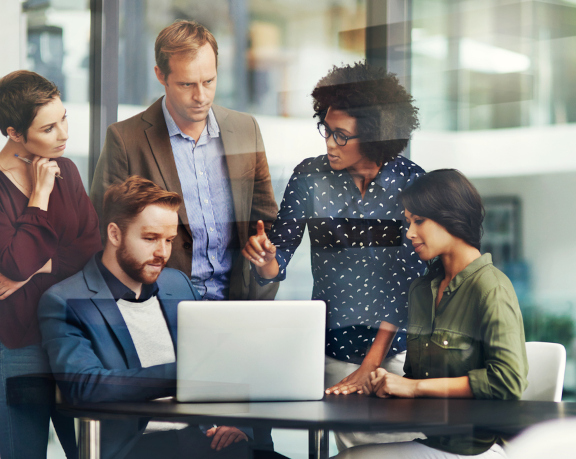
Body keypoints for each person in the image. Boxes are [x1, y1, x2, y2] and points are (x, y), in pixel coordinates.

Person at [242, 62, 425, 449]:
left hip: (395, 354)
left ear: (375, 137)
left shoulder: (412, 184)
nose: (329, 143)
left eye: (342, 136)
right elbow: (280, 257)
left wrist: (370, 367)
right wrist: (265, 260)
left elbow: (409, 285)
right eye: (326, 130)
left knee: (397, 449)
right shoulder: (309, 177)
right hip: (330, 350)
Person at [38, 176, 253, 459]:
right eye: (150, 238)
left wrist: (237, 421)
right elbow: (85, 387)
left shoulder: (178, 284)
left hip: (203, 439)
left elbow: (221, 359)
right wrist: (185, 374)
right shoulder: (64, 300)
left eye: (169, 240)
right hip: (134, 448)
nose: (162, 253)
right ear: (115, 234)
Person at [336, 169, 529, 459]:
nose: (409, 232)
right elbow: (415, 378)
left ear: (452, 217)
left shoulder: (492, 288)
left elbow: (508, 382)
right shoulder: (421, 290)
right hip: (431, 439)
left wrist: (413, 388)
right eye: (408, 221)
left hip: (476, 449)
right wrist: (387, 385)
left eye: (419, 221)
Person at [89, 20, 278, 301]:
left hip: (237, 306)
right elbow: (104, 235)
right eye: (186, 84)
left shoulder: (245, 129)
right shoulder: (125, 140)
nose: (201, 96)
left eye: (209, 81)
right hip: (157, 308)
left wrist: (265, 259)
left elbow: (266, 222)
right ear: (160, 75)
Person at [0, 70, 101, 459]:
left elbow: (90, 253)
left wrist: (37, 270)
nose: (63, 134)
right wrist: (39, 194)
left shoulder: (68, 171)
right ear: (15, 133)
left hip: (74, 340)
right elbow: (14, 261)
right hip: (17, 346)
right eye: (48, 128)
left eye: (64, 118)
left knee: (90, 451)